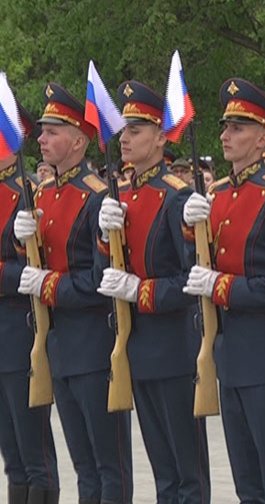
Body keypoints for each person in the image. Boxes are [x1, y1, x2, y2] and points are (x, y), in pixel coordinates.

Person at [181, 77, 265, 503]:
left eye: (237, 127)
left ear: (263, 138)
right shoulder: (217, 195)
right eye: (224, 126)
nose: (225, 135)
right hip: (230, 356)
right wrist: (188, 230)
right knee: (247, 488)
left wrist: (223, 286)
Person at [13, 83, 132, 504]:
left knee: (109, 467)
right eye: (41, 132)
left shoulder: (97, 199)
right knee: (83, 468)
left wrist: (47, 284)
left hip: (94, 346)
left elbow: (102, 282)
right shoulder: (44, 194)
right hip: (58, 346)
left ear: (79, 141)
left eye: (51, 132)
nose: (41, 139)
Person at [96, 80, 210, 503]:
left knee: (188, 474)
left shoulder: (176, 197)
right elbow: (103, 272)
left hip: (174, 348)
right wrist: (105, 242)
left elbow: (190, 280)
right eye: (123, 131)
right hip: (137, 348)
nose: (124, 138)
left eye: (136, 130)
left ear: (161, 137)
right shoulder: (120, 196)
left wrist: (138, 290)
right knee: (163, 474)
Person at [1, 102, 60, 504]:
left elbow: (34, 266)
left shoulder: (26, 193)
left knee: (33, 454)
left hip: (18, 330)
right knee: (12, 457)